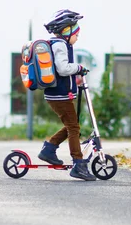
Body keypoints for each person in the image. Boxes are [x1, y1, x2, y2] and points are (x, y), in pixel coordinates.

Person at [37, 9, 97, 181]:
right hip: (59, 95)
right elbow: (62, 69)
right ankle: (78, 164)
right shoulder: (60, 45)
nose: (77, 38)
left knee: (72, 124)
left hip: (58, 94)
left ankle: (49, 149)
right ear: (67, 31)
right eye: (76, 34)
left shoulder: (57, 43)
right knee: (74, 128)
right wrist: (78, 68)